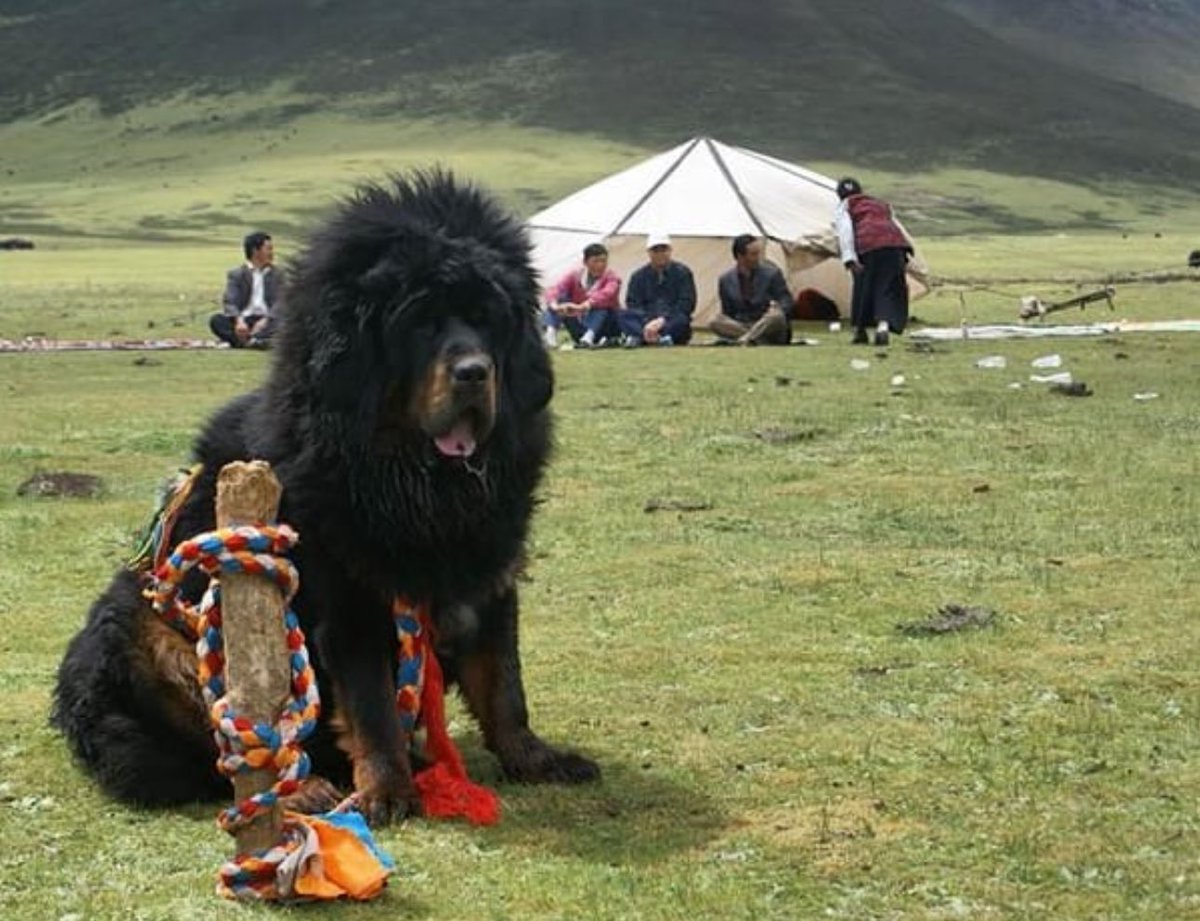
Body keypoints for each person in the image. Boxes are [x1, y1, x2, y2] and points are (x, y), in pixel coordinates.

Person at [834, 177, 912, 346]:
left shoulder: (846, 206)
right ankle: (883, 326)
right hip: (894, 246)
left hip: (868, 247)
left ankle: (860, 331)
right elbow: (893, 226)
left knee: (864, 287)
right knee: (887, 288)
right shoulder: (881, 204)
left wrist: (849, 258)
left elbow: (845, 231)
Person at [711, 235, 794, 345]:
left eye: (758, 253)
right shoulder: (725, 280)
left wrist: (778, 308)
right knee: (714, 321)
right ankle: (756, 340)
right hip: (742, 324)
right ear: (740, 257)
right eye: (753, 254)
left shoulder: (772, 274)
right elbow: (727, 312)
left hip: (767, 323)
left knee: (776, 316)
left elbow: (786, 300)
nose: (758, 258)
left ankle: (746, 339)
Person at [618, 233, 696, 347]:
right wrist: (648, 322)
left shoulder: (683, 272)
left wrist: (662, 320)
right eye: (655, 250)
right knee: (622, 315)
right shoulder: (638, 276)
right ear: (649, 252)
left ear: (670, 251)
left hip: (670, 320)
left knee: (682, 320)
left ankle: (642, 337)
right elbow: (633, 303)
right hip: (646, 320)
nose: (660, 254)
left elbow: (687, 304)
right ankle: (659, 338)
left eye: (663, 250)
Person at [210, 231, 282, 349]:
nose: (271, 253)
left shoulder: (278, 275)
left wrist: (266, 320)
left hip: (268, 320)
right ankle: (255, 341)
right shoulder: (237, 274)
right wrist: (239, 321)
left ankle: (246, 342)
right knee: (217, 321)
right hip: (244, 322)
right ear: (255, 251)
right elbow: (230, 301)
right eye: (268, 249)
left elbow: (281, 302)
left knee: (287, 323)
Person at [543, 243, 622, 348]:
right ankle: (550, 336)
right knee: (558, 300)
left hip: (604, 327)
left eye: (603, 261)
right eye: (596, 261)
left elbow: (606, 294)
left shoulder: (612, 277)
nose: (600, 265)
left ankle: (588, 338)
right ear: (585, 262)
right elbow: (555, 289)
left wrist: (583, 306)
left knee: (602, 307)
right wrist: (555, 306)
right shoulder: (575, 276)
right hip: (580, 322)